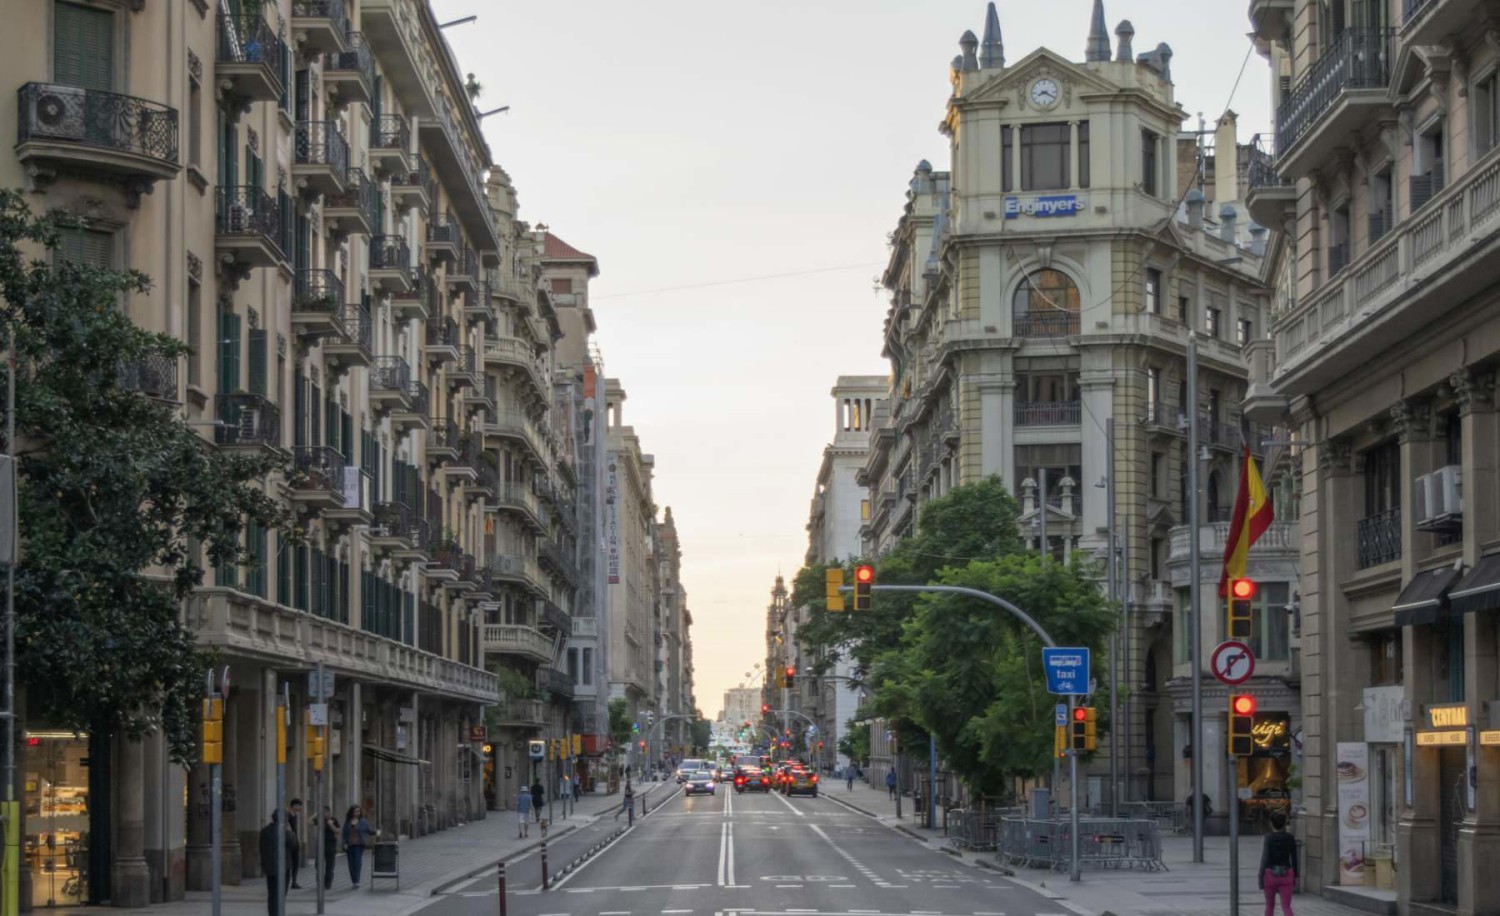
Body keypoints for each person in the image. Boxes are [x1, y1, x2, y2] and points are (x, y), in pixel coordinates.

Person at [1259, 808, 1297, 916]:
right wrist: (1295, 876)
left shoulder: (1269, 838)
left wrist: (1260, 877)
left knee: (1269, 906)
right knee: (1286, 907)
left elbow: (1265, 858)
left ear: (1272, 823)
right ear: (1285, 823)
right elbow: (1294, 858)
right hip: (1286, 874)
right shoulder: (1290, 838)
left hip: (1270, 875)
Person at [259, 810, 295, 916]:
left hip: (269, 868)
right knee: (281, 894)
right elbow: (294, 845)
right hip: (283, 867)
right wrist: (289, 831)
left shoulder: (264, 831)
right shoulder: (284, 832)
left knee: (272, 894)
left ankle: (273, 913)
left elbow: (261, 849)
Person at [341, 805, 373, 889]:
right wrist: (344, 843)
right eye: (355, 811)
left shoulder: (363, 821)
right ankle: (354, 881)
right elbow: (344, 833)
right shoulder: (348, 821)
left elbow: (369, 830)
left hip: (359, 844)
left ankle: (357, 881)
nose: (357, 813)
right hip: (350, 844)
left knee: (357, 862)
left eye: (358, 811)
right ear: (352, 812)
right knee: (351, 863)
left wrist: (376, 832)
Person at [319, 806, 340, 891]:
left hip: (331, 844)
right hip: (321, 844)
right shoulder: (320, 819)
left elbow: (337, 831)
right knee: (318, 864)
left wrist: (331, 824)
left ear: (329, 812)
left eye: (325, 812)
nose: (324, 814)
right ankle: (321, 880)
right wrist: (315, 815)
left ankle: (328, 883)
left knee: (329, 865)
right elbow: (309, 822)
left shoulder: (333, 819)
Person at [286, 798, 303, 889]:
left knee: (296, 862)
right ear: (294, 805)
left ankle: (294, 881)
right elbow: (287, 827)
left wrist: (297, 840)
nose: (301, 808)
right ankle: (288, 880)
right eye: (300, 806)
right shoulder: (287, 814)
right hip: (289, 840)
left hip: (295, 840)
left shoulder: (295, 815)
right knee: (289, 862)